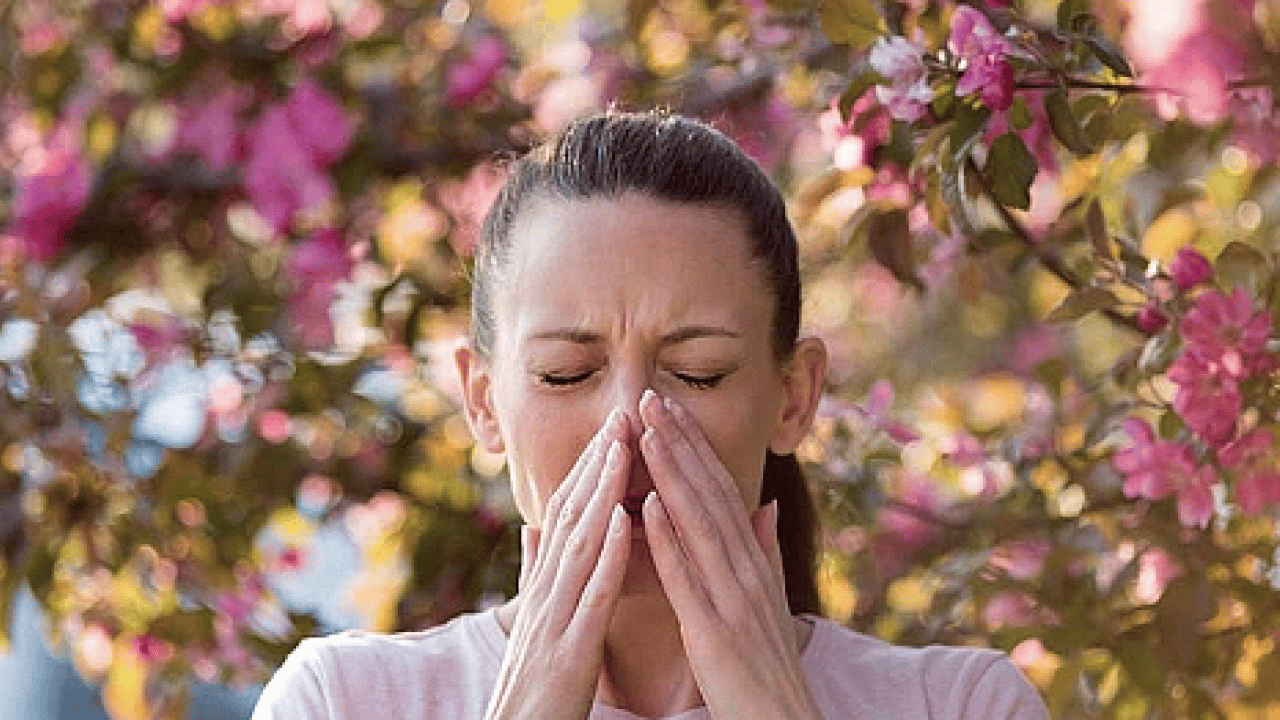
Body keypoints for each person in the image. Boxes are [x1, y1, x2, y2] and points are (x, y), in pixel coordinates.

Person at [251, 111, 1050, 720]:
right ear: (485, 402)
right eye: (567, 374)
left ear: (795, 396)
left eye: (698, 374)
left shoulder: (960, 704)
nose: (629, 422)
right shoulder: (344, 701)